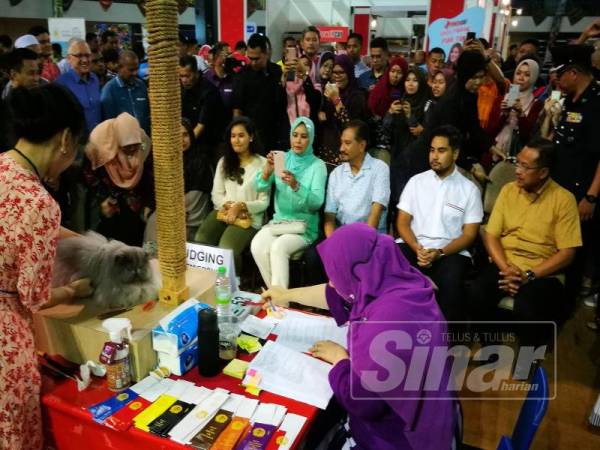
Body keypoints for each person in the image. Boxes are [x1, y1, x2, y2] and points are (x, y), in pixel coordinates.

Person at [260, 223, 456, 450]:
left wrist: (340, 360)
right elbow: (337, 292)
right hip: (435, 419)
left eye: (336, 274)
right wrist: (285, 294)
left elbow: (363, 402)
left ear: (357, 273)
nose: (332, 282)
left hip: (397, 439)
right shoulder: (395, 277)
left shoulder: (387, 321)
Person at [0, 84, 92, 450]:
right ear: (66, 139)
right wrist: (73, 290)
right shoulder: (39, 203)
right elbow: (33, 298)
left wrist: (83, 242)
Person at [468, 139, 581, 349]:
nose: (517, 171)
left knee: (528, 307)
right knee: (477, 293)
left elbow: (567, 253)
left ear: (543, 172)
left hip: (541, 271)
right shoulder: (508, 190)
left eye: (525, 167)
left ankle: (526, 363)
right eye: (517, 163)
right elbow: (491, 235)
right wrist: (507, 269)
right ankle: (490, 350)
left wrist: (529, 275)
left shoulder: (564, 200)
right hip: (506, 263)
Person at [397, 125, 483, 321]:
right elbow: (402, 223)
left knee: (451, 284)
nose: (434, 156)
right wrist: (417, 247)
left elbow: (469, 235)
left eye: (441, 151)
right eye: (432, 150)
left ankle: (446, 344)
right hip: (414, 245)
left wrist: (440, 252)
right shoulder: (416, 182)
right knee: (390, 268)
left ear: (455, 153)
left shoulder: (469, 190)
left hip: (449, 252)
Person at [251, 117, 327, 288]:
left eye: (304, 136)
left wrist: (296, 185)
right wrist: (267, 171)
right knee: (257, 245)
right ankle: (277, 297)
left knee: (278, 248)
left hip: (303, 228)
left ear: (311, 138)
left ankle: (281, 302)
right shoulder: (281, 158)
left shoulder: (318, 166)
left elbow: (316, 203)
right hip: (280, 222)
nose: (298, 140)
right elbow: (259, 187)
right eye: (295, 135)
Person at [195, 117, 269, 273]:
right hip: (224, 211)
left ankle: (234, 286)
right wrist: (228, 206)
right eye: (233, 136)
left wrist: (240, 206)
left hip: (248, 217)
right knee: (201, 239)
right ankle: (206, 281)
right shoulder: (224, 161)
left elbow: (263, 202)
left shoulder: (262, 164)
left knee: (226, 248)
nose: (236, 140)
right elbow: (216, 194)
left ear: (251, 137)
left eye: (241, 135)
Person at [84, 113, 153, 246]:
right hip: (107, 197)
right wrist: (103, 198)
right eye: (127, 146)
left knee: (133, 237)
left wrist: (149, 203)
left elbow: (149, 174)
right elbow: (90, 175)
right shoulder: (100, 146)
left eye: (135, 145)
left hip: (134, 200)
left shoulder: (144, 143)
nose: (132, 149)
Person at [145, 118, 214, 244]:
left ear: (191, 136)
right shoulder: (166, 161)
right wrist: (151, 205)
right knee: (152, 222)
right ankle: (152, 261)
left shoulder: (200, 161)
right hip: (169, 210)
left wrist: (173, 211)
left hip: (190, 214)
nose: (181, 140)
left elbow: (197, 197)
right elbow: (159, 189)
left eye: (185, 135)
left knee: (160, 224)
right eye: (176, 136)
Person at [324, 120, 390, 235]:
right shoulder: (336, 174)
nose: (341, 148)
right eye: (341, 142)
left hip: (372, 238)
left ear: (362, 146)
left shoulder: (380, 168)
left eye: (347, 143)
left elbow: (375, 213)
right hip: (342, 238)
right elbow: (329, 216)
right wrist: (333, 245)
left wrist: (361, 245)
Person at [233, 33, 286, 154]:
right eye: (250, 58)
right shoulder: (242, 75)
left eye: (256, 58)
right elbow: (237, 109)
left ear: (266, 53)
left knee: (278, 170)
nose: (253, 62)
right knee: (253, 171)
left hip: (276, 134)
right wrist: (238, 134)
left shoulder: (277, 71)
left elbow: (283, 105)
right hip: (251, 136)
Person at [384, 65, 429, 202]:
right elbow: (386, 131)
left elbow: (420, 133)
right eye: (408, 80)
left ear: (420, 83)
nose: (410, 83)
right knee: (397, 199)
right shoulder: (400, 101)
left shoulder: (426, 105)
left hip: (417, 160)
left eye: (415, 80)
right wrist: (390, 113)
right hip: (398, 156)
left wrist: (410, 115)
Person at [319, 54, 369, 167]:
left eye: (342, 72)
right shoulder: (331, 91)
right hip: (327, 150)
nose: (337, 76)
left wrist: (336, 100)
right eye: (335, 72)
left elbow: (351, 127)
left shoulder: (357, 96)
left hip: (347, 152)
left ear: (349, 73)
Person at [488, 59, 543, 160]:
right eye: (518, 73)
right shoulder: (501, 98)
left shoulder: (536, 104)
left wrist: (520, 114)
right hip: (494, 152)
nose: (521, 78)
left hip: (518, 154)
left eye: (527, 75)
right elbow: (490, 132)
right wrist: (504, 114)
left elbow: (527, 137)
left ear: (534, 77)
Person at [179, 55, 225, 164]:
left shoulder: (209, 91)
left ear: (196, 72)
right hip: (192, 143)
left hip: (211, 145)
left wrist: (184, 144)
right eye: (181, 76)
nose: (184, 80)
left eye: (187, 76)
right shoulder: (182, 90)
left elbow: (201, 125)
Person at [56, 38, 102, 134]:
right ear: (69, 59)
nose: (85, 60)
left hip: (98, 140)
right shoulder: (61, 83)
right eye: (79, 56)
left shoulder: (95, 79)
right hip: (76, 143)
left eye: (87, 55)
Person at [101, 50, 150, 134]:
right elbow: (109, 124)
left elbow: (147, 113)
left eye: (137, 68)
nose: (135, 73)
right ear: (119, 68)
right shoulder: (109, 90)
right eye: (131, 70)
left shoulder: (141, 85)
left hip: (144, 140)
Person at [367, 55, 408, 153]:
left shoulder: (406, 94)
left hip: (399, 144)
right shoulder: (380, 89)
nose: (395, 75)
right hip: (376, 141)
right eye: (392, 71)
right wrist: (389, 112)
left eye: (399, 72)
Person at [283, 54, 321, 125]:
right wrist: (283, 79)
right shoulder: (286, 88)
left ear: (311, 67)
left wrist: (305, 75)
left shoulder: (316, 87)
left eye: (306, 64)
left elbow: (314, 100)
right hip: (291, 132)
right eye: (299, 64)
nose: (301, 67)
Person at [205, 42, 235, 121]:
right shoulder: (206, 77)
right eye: (226, 55)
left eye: (230, 54)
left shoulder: (235, 78)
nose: (230, 58)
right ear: (215, 57)